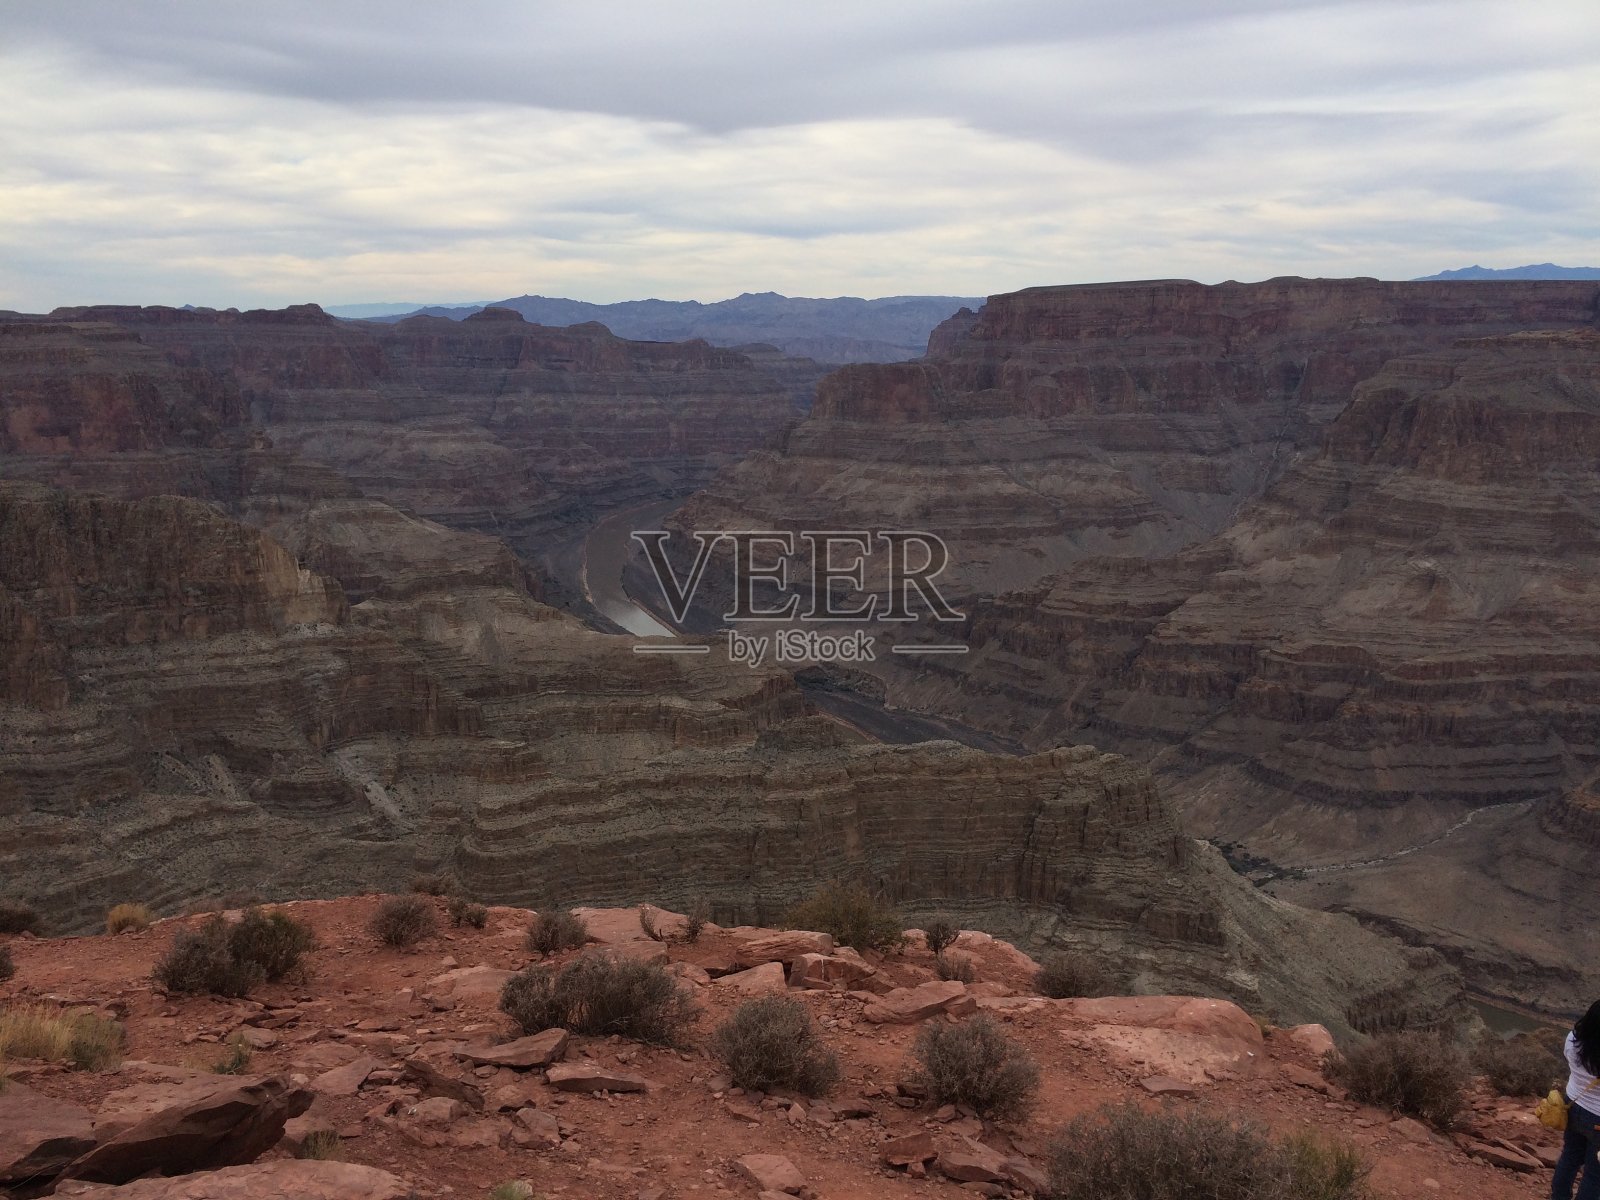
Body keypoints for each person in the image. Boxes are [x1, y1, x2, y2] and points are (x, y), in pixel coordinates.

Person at [1554, 1000, 1600, 1200]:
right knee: (1594, 1175)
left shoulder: (1573, 1039)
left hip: (1572, 1105)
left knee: (1569, 1158)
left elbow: (1569, 1059)